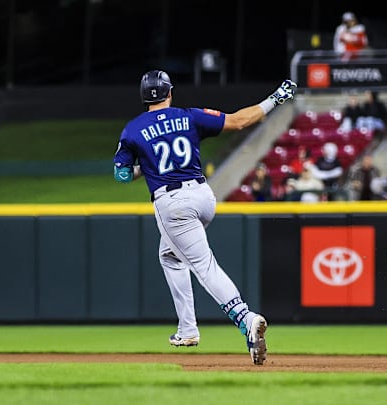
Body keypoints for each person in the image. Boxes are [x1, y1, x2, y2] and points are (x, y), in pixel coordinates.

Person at [113, 69, 297, 365]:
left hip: (173, 203)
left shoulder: (133, 129)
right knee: (170, 256)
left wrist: (142, 169)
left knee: (203, 266)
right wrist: (275, 99)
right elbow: (239, 121)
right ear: (169, 93)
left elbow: (121, 175)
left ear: (143, 97)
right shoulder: (189, 116)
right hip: (203, 196)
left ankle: (245, 319)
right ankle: (187, 329)